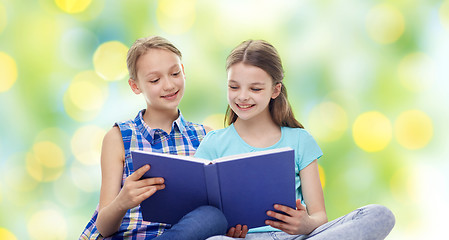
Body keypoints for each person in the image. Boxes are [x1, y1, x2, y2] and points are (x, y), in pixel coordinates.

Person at [194, 40, 396, 240]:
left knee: (379, 214)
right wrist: (223, 230)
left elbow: (319, 217)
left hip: (293, 237)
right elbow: (197, 217)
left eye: (255, 89)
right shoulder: (213, 144)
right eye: (234, 87)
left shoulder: (299, 140)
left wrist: (306, 223)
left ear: (275, 90)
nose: (243, 96)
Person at [79, 36, 227, 240]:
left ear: (183, 71)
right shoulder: (119, 137)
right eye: (155, 80)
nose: (168, 85)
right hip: (126, 236)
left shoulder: (205, 136)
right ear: (135, 86)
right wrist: (123, 201)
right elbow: (104, 227)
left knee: (214, 217)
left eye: (175, 73)